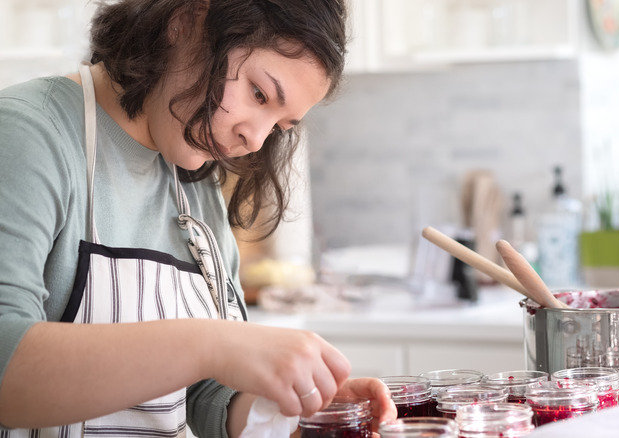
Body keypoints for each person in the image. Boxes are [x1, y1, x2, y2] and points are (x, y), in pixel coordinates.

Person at [0, 0, 396, 436]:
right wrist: (211, 345)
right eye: (259, 93)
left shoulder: (195, 186)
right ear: (186, 20)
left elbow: (203, 397)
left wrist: (292, 416)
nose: (255, 137)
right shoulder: (28, 134)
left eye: (279, 126)